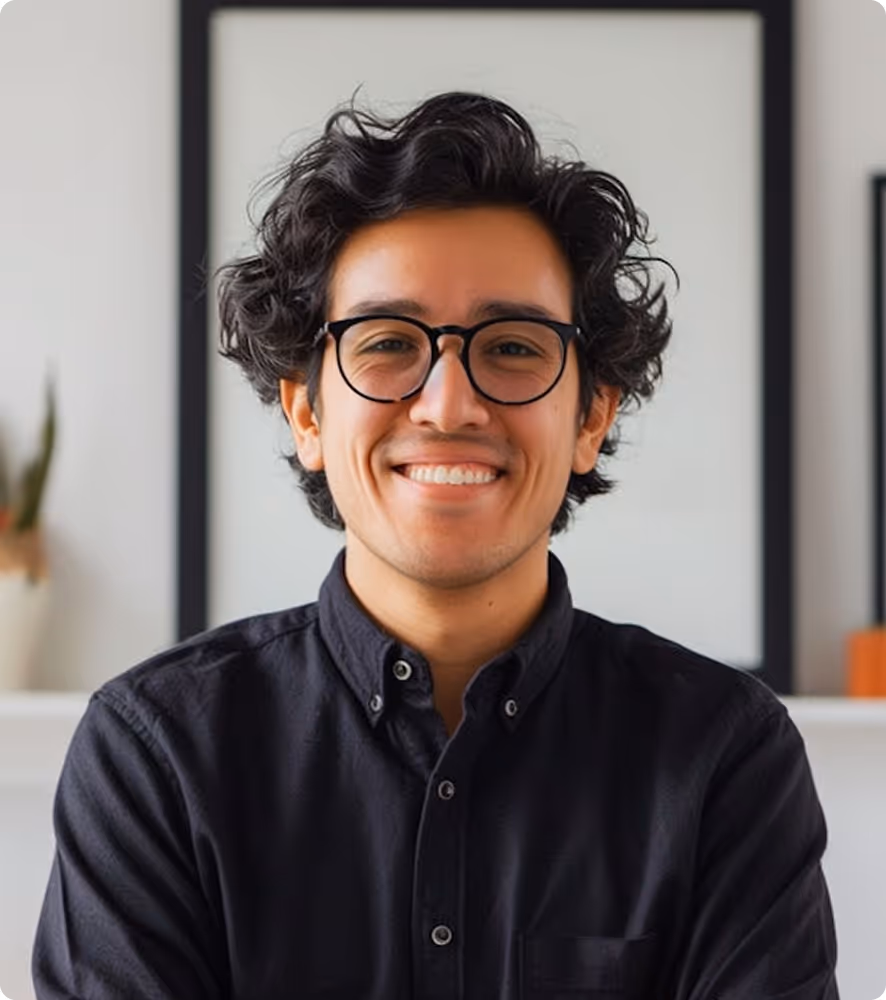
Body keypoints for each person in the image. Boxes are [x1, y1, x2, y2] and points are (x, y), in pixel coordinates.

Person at [32, 92, 838, 999]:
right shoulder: (156, 756)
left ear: (591, 417)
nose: (450, 405)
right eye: (386, 343)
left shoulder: (725, 756)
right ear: (305, 411)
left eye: (514, 348)